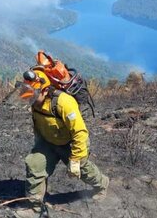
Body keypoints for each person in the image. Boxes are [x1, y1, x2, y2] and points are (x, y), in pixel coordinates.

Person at [15, 69, 109, 218]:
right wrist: (38, 146)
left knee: (82, 170)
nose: (28, 96)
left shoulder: (63, 102)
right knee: (34, 165)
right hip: (48, 141)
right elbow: (38, 125)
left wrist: (76, 159)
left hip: (71, 143)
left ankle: (102, 185)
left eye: (32, 92)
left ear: (45, 91)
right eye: (27, 90)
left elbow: (80, 133)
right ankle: (35, 208)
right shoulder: (35, 101)